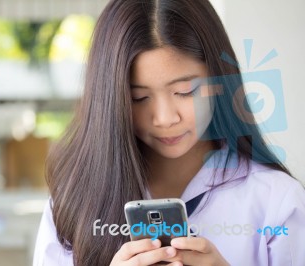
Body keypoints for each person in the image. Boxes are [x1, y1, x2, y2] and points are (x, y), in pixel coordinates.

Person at [33, 0, 305, 265]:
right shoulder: (73, 204)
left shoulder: (276, 200)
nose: (165, 118)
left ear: (219, 79)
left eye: (185, 92)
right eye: (139, 97)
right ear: (111, 101)